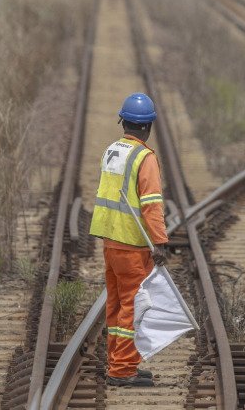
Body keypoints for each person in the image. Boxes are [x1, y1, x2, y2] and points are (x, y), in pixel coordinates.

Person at [89, 92, 170, 387]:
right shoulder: (144, 157)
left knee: (116, 304)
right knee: (132, 307)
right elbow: (151, 204)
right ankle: (122, 370)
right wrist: (159, 242)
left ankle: (118, 363)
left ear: (123, 121)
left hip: (110, 241)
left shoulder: (112, 150)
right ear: (148, 127)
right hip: (132, 245)